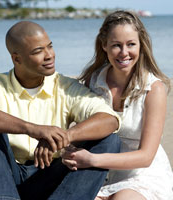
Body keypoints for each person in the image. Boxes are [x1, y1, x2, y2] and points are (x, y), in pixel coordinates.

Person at [0, 21, 122, 200]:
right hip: (4, 176)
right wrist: (34, 129)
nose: (49, 55)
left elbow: (109, 119)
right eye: (38, 51)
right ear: (16, 59)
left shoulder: (65, 87)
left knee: (109, 140)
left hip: (49, 176)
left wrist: (62, 137)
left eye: (50, 47)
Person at [61, 10, 173, 200]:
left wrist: (92, 159)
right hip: (98, 174)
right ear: (104, 45)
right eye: (116, 45)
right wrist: (68, 151)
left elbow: (146, 157)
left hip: (142, 175)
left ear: (141, 45)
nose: (124, 53)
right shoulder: (93, 81)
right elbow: (85, 132)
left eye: (131, 44)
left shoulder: (154, 89)